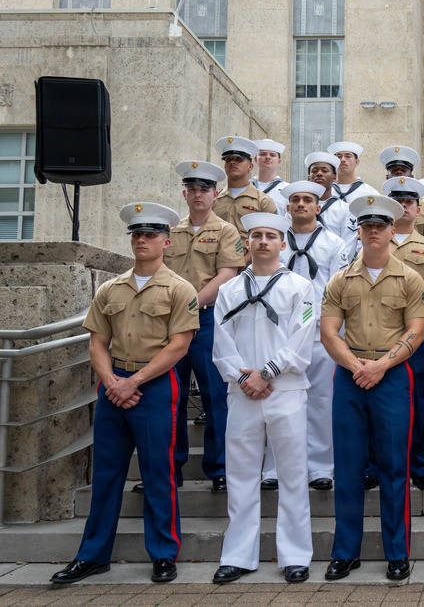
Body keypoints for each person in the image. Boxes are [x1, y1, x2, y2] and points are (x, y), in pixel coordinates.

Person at [50, 203, 199, 585]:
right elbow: (97, 343)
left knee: (157, 473)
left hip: (153, 386)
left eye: (150, 235)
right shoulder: (109, 288)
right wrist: (114, 382)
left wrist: (134, 382)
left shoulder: (180, 290)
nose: (142, 240)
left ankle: (164, 553)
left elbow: (179, 346)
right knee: (106, 474)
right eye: (136, 234)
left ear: (166, 241)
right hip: (113, 385)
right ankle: (93, 555)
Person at [320, 195, 424, 581]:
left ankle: (397, 552)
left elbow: (416, 330)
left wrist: (380, 365)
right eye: (366, 226)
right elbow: (328, 331)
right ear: (359, 231)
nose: (373, 231)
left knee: (394, 468)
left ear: (392, 229)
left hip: (392, 375)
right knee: (347, 468)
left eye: (380, 225)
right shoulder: (340, 279)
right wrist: (355, 366)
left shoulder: (411, 278)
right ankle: (345, 552)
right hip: (350, 376)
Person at [210, 212, 315, 584]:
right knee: (240, 476)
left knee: (291, 474)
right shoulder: (229, 290)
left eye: (271, 235)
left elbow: (302, 338)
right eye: (256, 235)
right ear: (248, 243)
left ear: (282, 243)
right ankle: (238, 555)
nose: (264, 241)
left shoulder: (300, 287)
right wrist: (244, 377)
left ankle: (296, 555)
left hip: (285, 390)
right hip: (242, 392)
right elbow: (221, 344)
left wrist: (267, 372)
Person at [258, 181, 349, 492]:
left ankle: (321, 466)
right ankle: (275, 466)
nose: (300, 204)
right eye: (295, 200)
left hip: (319, 331)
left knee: (322, 400)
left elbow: (339, 290)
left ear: (318, 207)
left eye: (307, 200)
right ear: (287, 207)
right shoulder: (275, 242)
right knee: (277, 399)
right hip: (279, 331)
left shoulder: (335, 244)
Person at [160, 161, 243, 496]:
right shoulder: (169, 231)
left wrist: (190, 304)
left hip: (208, 321)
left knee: (215, 396)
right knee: (170, 398)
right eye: (192, 189)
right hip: (169, 324)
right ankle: (170, 470)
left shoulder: (226, 231)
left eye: (204, 190)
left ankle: (219, 469)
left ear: (215, 194)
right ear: (184, 193)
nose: (198, 195)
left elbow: (227, 275)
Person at [382, 176, 424, 491]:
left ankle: (421, 465)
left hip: (417, 332)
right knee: (377, 401)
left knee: (420, 401)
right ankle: (376, 464)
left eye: (409, 202)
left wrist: (406, 303)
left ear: (419, 208)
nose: (404, 206)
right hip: (379, 332)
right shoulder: (376, 238)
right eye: (399, 201)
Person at [212, 136, 278, 240]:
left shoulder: (264, 202)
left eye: (239, 159)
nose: (232, 162)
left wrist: (247, 257)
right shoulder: (214, 201)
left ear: (250, 166)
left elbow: (272, 237)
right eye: (228, 159)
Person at [381, 145, 424, 243]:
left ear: (411, 176)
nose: (399, 173)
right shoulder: (381, 205)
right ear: (387, 177)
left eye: (404, 170)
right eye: (394, 170)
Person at [304, 151, 357, 250]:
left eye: (324, 171)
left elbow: (348, 246)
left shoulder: (345, 210)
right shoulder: (299, 208)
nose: (319, 174)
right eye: (314, 171)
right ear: (308, 178)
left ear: (334, 177)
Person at [251, 139, 289, 216]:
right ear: (255, 159)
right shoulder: (247, 186)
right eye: (263, 154)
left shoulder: (287, 189)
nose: (268, 157)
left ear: (279, 161)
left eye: (272, 155)